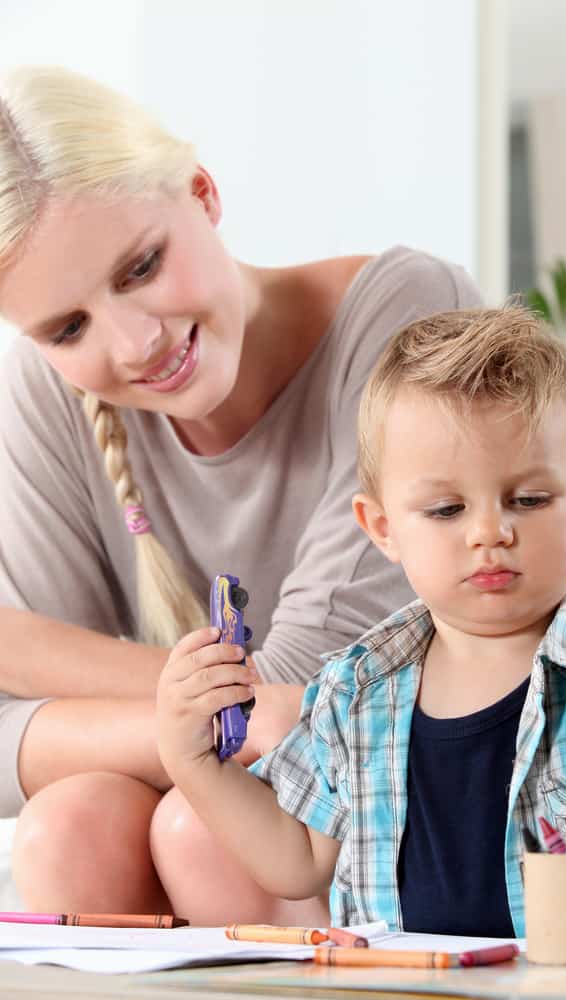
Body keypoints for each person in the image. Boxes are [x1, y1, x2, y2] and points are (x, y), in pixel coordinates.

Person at [0, 65, 485, 923]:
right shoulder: (51, 394)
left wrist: (25, 649)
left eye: (141, 266)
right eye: (66, 328)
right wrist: (199, 723)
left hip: (399, 808)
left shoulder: (409, 314)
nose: (135, 343)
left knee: (201, 824)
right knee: (68, 824)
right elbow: (245, 714)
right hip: (226, 800)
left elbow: (304, 697)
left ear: (202, 192)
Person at [156, 306, 566, 941]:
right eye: (447, 509)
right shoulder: (355, 689)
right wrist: (192, 759)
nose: (489, 532)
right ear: (383, 529)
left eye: (529, 500)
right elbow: (295, 861)